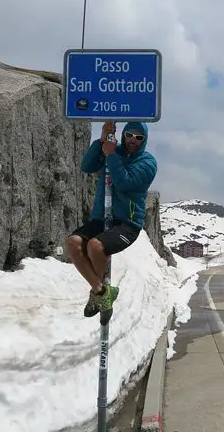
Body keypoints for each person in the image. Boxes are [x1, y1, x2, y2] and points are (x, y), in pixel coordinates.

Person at [65, 121, 158, 318]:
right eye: (130, 135)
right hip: (101, 216)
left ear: (144, 140)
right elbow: (87, 166)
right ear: (124, 134)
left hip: (127, 222)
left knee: (95, 247)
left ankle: (96, 293)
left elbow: (124, 182)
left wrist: (111, 155)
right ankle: (101, 291)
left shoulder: (148, 163)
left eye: (139, 137)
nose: (133, 140)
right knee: (73, 243)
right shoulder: (111, 150)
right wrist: (101, 142)